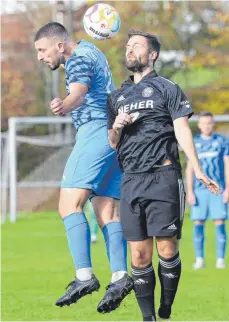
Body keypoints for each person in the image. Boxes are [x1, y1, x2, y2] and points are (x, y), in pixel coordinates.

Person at [106, 29, 220, 321]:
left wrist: (197, 167)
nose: (130, 50)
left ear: (152, 55)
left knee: (167, 250)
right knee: (139, 257)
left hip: (164, 177)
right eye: (128, 46)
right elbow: (112, 141)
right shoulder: (116, 97)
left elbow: (182, 129)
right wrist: (117, 126)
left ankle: (166, 306)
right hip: (131, 180)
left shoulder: (167, 88)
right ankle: (149, 318)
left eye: (137, 46)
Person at [34, 22, 133, 313]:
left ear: (60, 46)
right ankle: (120, 276)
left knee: (68, 205)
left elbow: (78, 92)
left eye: (42, 50)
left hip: (95, 133)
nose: (40, 56)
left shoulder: (77, 59)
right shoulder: (92, 51)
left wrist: (65, 105)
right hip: (114, 136)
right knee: (107, 210)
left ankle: (84, 277)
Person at [186, 111, 229, 269]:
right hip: (199, 190)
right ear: (199, 125)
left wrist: (227, 189)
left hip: (218, 189)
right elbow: (190, 169)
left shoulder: (222, 141)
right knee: (198, 222)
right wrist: (190, 191)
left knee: (220, 222)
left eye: (209, 123)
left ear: (213, 124)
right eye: (203, 123)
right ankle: (199, 259)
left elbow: (227, 166)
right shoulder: (194, 142)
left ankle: (220, 259)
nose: (206, 126)